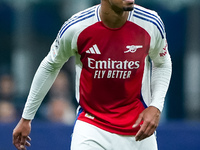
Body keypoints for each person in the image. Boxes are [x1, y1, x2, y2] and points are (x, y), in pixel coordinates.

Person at [12, 0, 172, 150]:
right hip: (92, 128)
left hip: (138, 130)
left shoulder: (150, 23)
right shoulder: (77, 27)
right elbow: (50, 65)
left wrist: (156, 106)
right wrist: (27, 117)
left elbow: (162, 63)